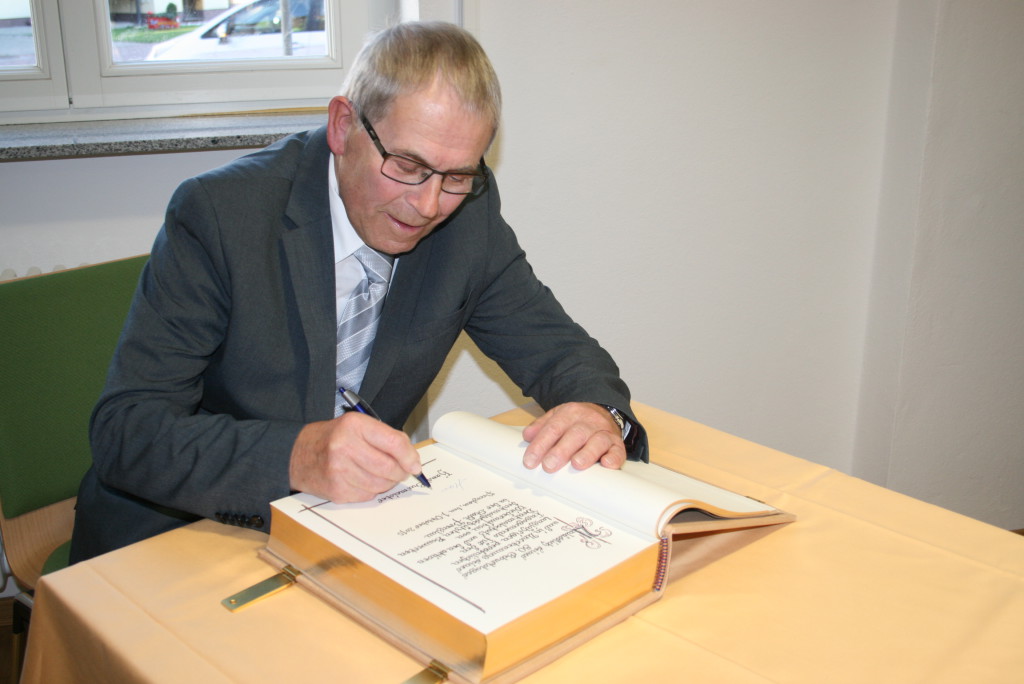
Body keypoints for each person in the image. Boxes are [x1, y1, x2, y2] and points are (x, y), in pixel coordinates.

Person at [70, 21, 646, 563]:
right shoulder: (221, 215)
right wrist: (298, 456)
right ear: (343, 126)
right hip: (186, 531)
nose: (427, 206)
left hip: (353, 531)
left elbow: (559, 350)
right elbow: (128, 433)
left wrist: (597, 412)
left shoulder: (467, 217)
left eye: (456, 176)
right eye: (407, 165)